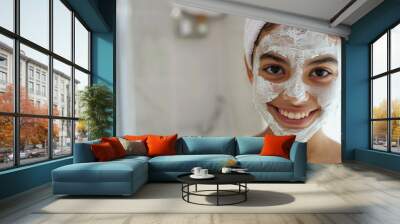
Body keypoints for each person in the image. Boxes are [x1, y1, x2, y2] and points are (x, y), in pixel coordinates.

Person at [243, 19, 341, 163]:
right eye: (274, 69)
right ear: (250, 72)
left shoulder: (360, 171)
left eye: (320, 72)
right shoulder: (232, 162)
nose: (296, 96)